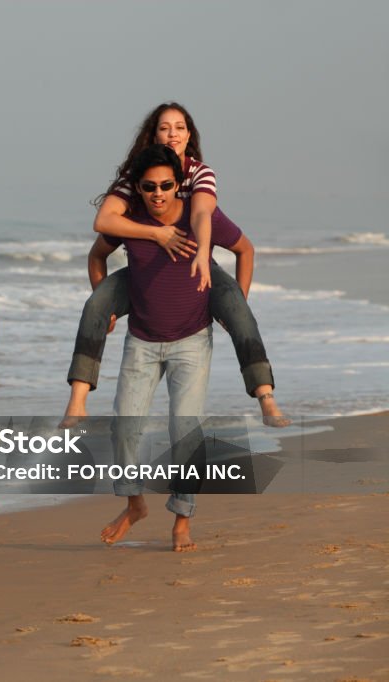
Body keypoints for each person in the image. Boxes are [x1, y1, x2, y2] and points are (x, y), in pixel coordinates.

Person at [62, 102, 288, 428]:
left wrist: (201, 251)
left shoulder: (199, 173)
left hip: (200, 264)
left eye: (179, 127)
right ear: (152, 136)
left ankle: (266, 397)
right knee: (96, 304)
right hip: (141, 274)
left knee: (238, 309)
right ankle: (77, 402)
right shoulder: (135, 179)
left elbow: (201, 214)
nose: (172, 134)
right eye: (164, 128)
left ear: (189, 134)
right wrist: (157, 234)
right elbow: (104, 223)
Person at [92, 145, 256, 552]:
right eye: (149, 187)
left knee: (184, 430)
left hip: (192, 341)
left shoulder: (200, 216)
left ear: (178, 184)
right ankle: (134, 504)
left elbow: (244, 250)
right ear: (139, 188)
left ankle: (182, 519)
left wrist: (234, 305)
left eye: (166, 185)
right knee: (123, 426)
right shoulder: (128, 221)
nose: (158, 193)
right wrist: (105, 304)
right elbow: (96, 257)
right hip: (141, 342)